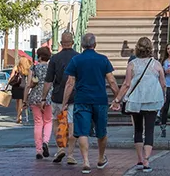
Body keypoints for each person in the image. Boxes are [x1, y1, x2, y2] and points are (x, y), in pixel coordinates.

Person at [64, 32, 120, 175]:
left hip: (82, 99)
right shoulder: (103, 60)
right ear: (95, 44)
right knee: (102, 131)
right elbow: (112, 81)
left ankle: (86, 161)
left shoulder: (76, 60)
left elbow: (70, 83)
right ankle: (101, 158)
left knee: (82, 131)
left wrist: (65, 102)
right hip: (100, 100)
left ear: (82, 45)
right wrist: (118, 97)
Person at [112, 37, 165, 172]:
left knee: (138, 129)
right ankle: (147, 160)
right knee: (150, 130)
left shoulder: (132, 64)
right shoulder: (157, 64)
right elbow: (163, 83)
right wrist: (163, 95)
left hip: (136, 100)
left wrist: (118, 99)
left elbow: (126, 84)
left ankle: (140, 159)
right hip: (152, 99)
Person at [44, 31, 79, 166]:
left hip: (57, 96)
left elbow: (48, 80)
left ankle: (60, 148)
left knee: (56, 122)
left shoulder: (54, 58)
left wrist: (43, 97)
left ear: (61, 43)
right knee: (71, 124)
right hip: (73, 96)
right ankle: (70, 154)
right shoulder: (77, 57)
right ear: (73, 42)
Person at [27, 46, 54, 159]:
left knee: (38, 123)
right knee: (48, 121)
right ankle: (46, 142)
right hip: (48, 97)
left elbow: (29, 84)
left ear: (39, 56)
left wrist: (24, 100)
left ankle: (38, 150)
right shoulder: (51, 68)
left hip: (35, 97)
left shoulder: (33, 68)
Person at [9, 56, 32, 124]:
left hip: (16, 86)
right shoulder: (27, 68)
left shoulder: (16, 67)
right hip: (24, 86)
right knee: (21, 102)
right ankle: (19, 116)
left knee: (18, 102)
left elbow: (11, 77)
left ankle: (19, 116)